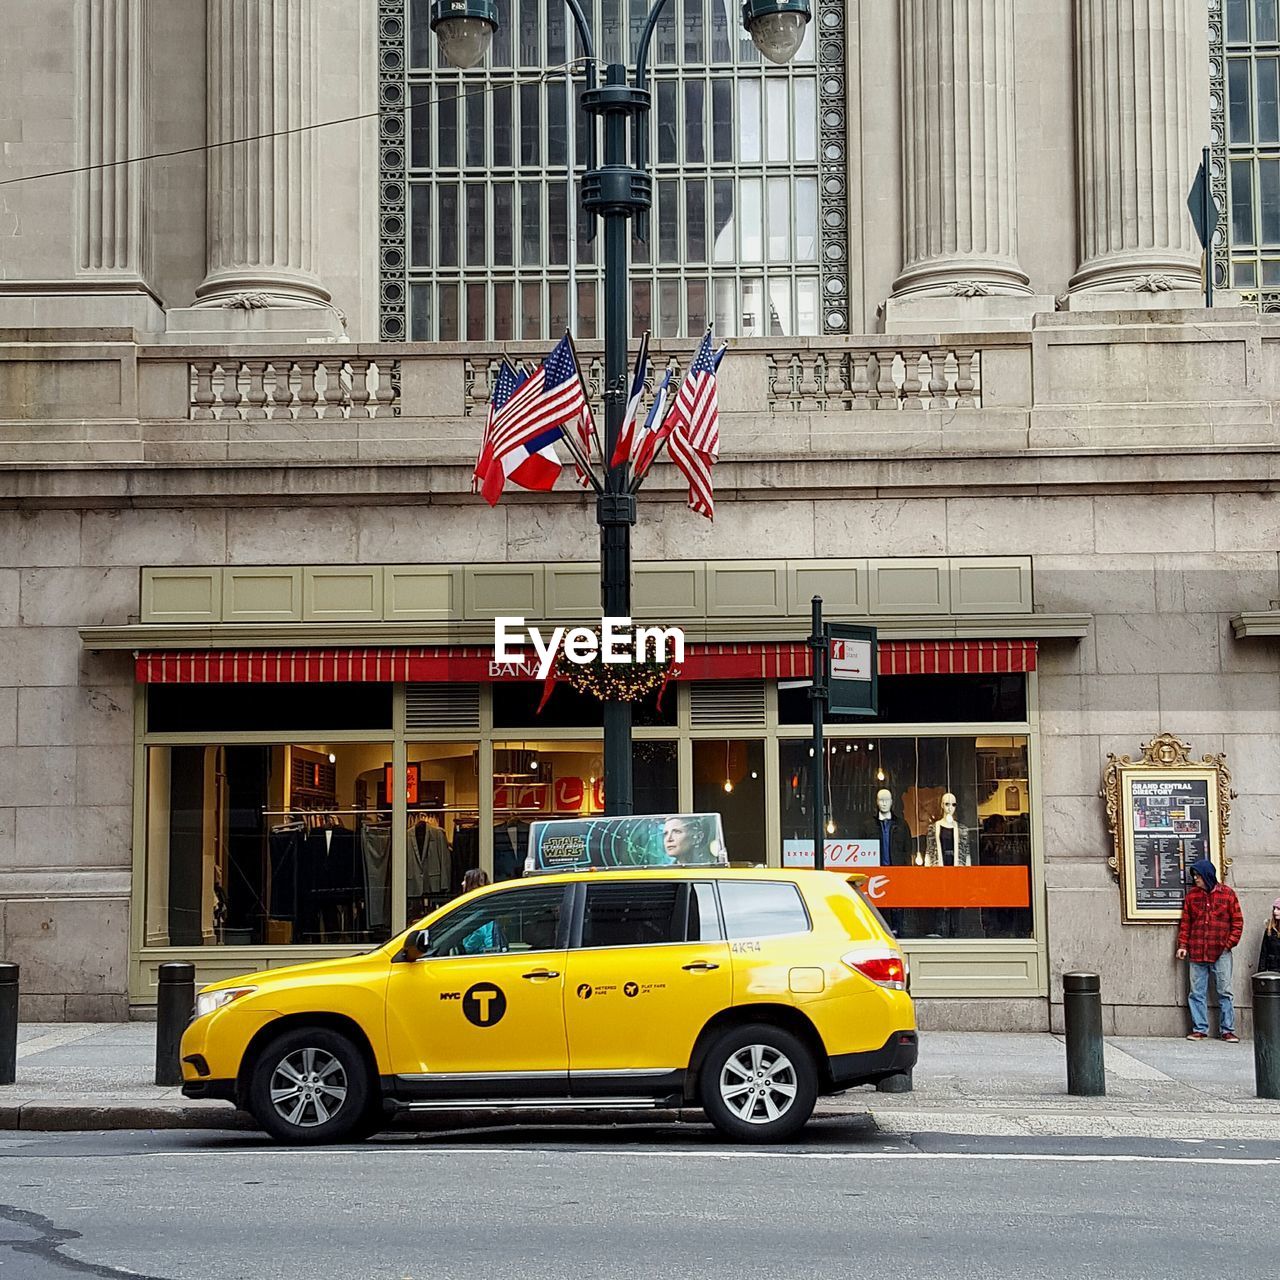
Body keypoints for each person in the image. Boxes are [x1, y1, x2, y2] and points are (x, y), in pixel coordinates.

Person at [1176, 857, 1244, 1042]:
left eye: (1198, 875)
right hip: (1197, 951)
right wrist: (1183, 945)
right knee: (1196, 992)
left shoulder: (1228, 894)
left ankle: (1227, 1030)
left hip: (1221, 952)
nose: (1195, 879)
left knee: (1225, 991)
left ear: (1207, 875)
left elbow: (1237, 922)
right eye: (1194, 875)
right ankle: (1199, 1029)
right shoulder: (1192, 896)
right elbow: (1186, 923)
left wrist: (1228, 944)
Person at [1259, 897, 1280, 974]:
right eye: (1274, 909)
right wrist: (1261, 974)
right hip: (1272, 972)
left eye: (1278, 909)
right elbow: (1263, 954)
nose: (1275, 911)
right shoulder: (1269, 930)